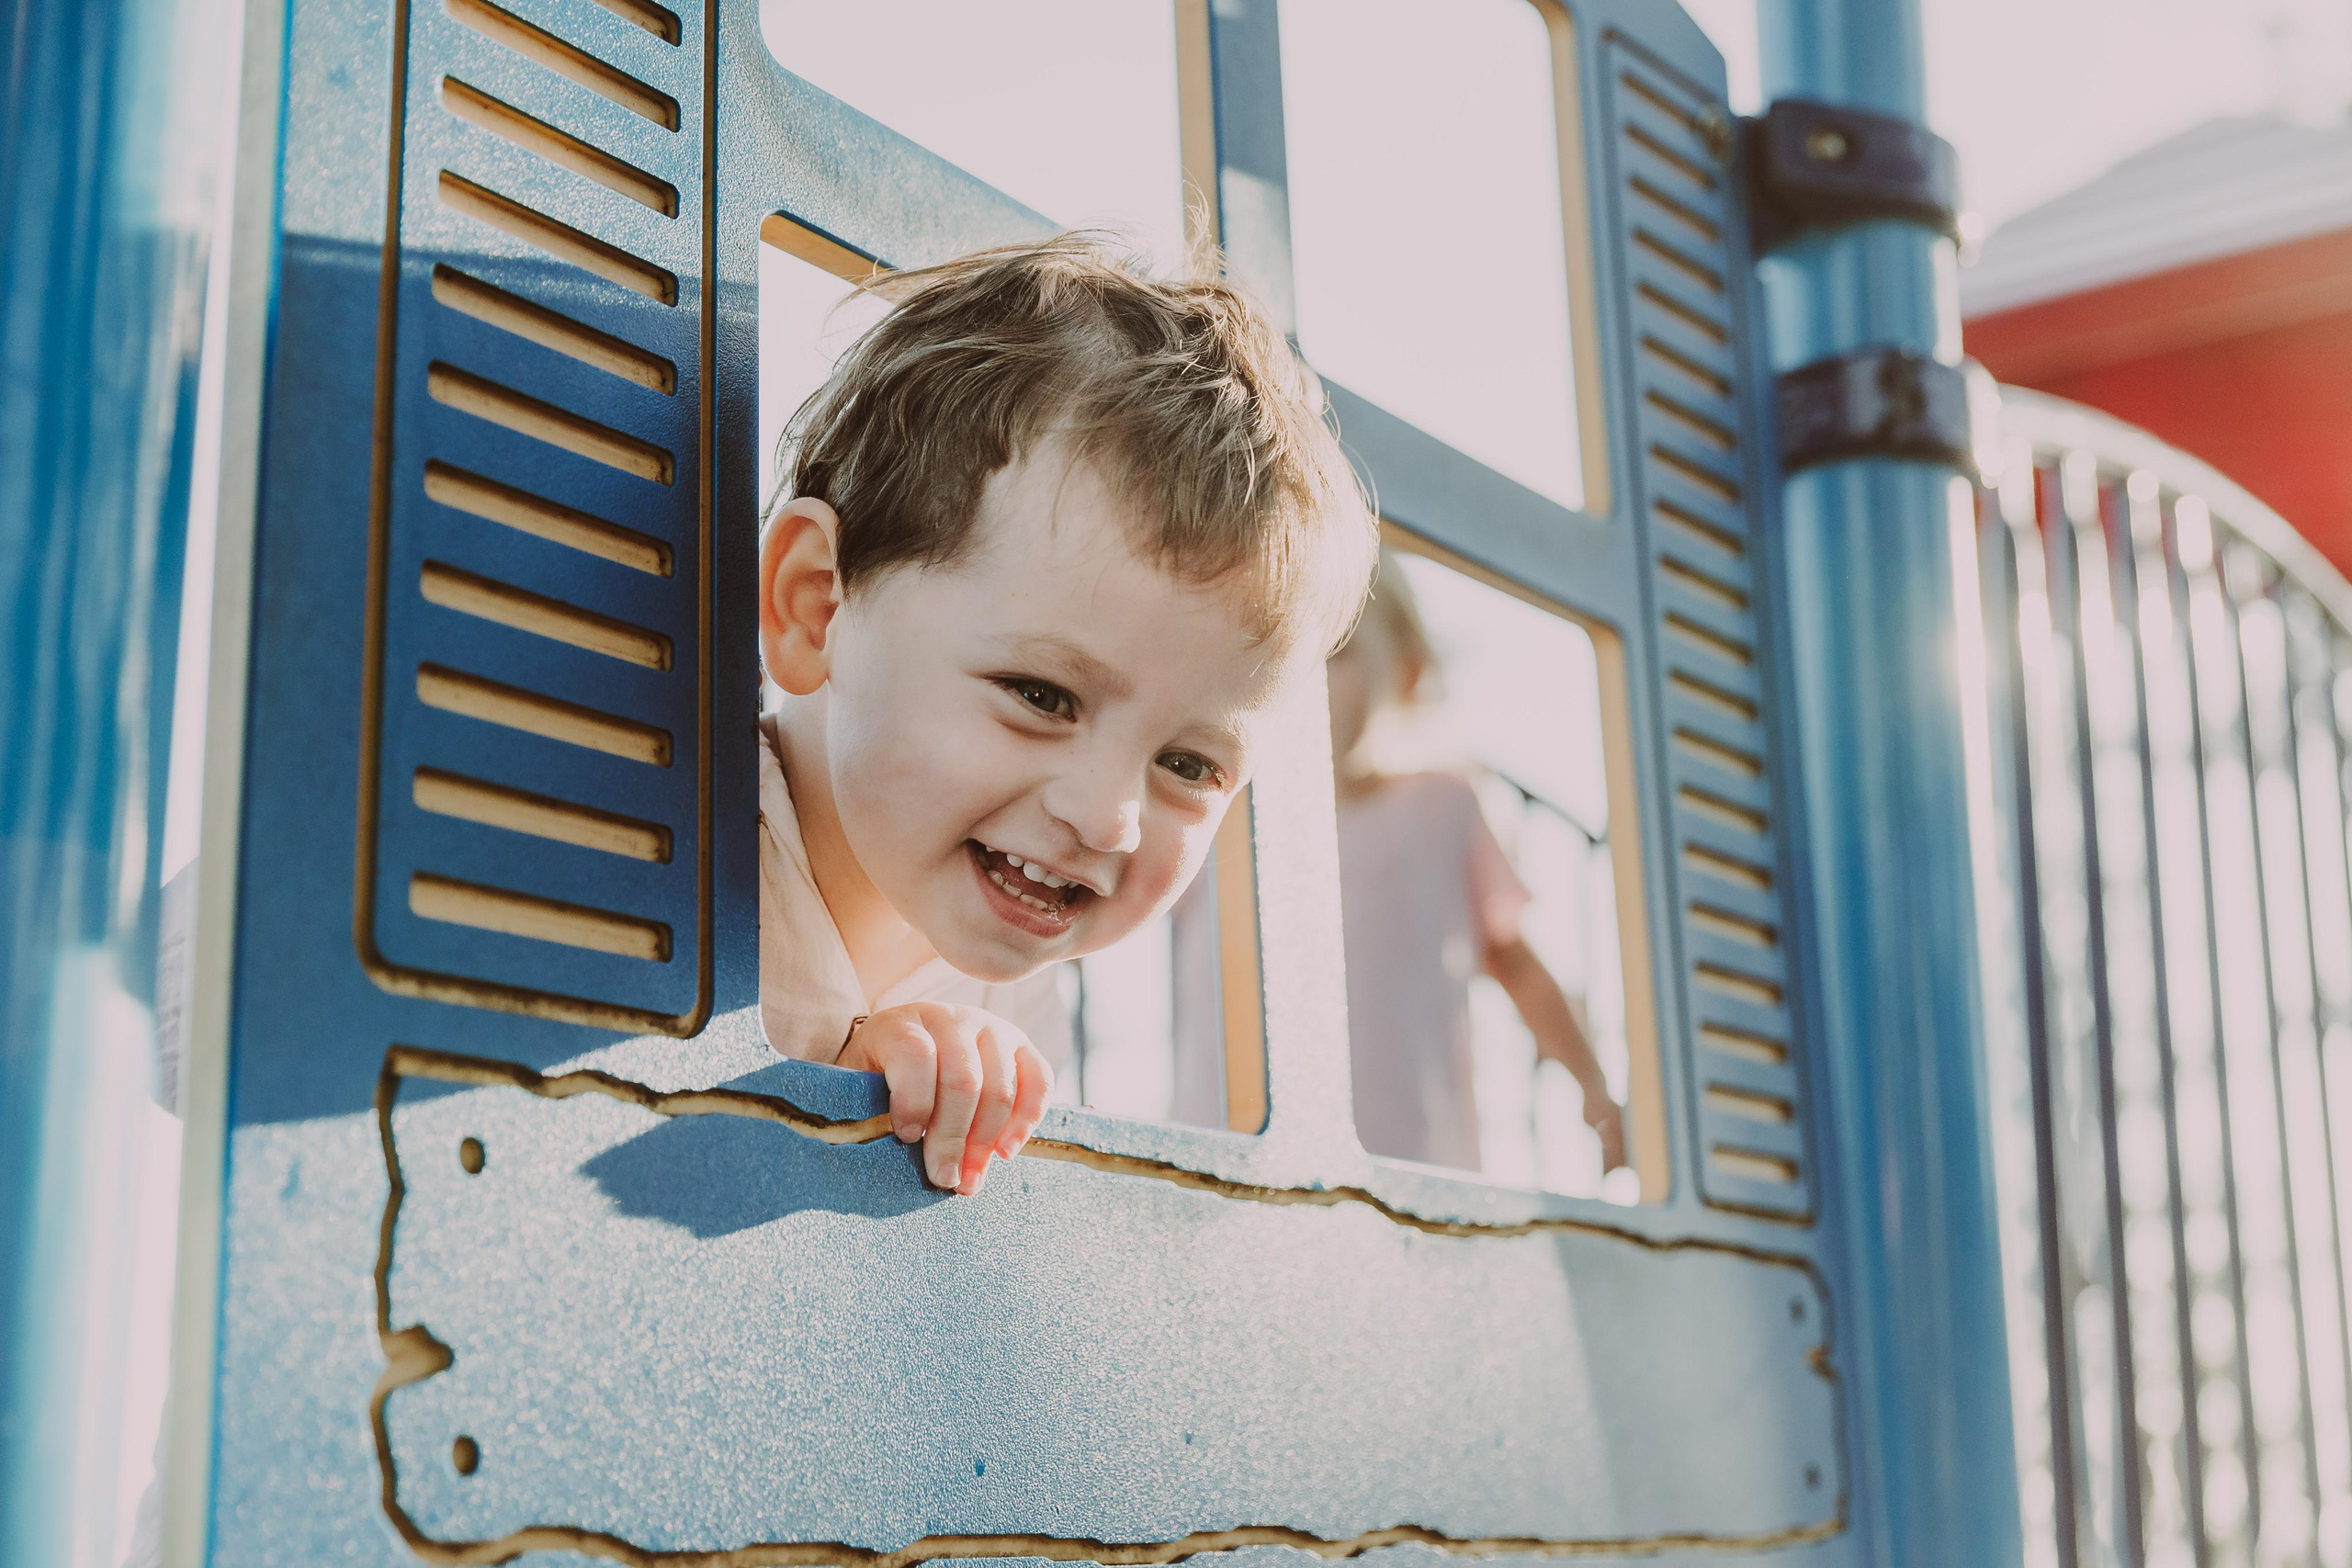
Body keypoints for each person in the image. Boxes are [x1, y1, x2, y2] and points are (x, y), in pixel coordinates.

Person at [755, 234, 1378, 1196]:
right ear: (815, 606)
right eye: (1042, 697)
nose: (1107, 819)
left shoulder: (1011, 997)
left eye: (1188, 765)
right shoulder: (650, 841)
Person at [1325, 552, 1627, 1177]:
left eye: (1337, 652)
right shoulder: (1222, 821)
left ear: (1405, 672)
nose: (1306, 680)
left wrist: (1595, 1091)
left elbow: (1517, 961)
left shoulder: (1444, 807)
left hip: (1412, 1160)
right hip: (1237, 1149)